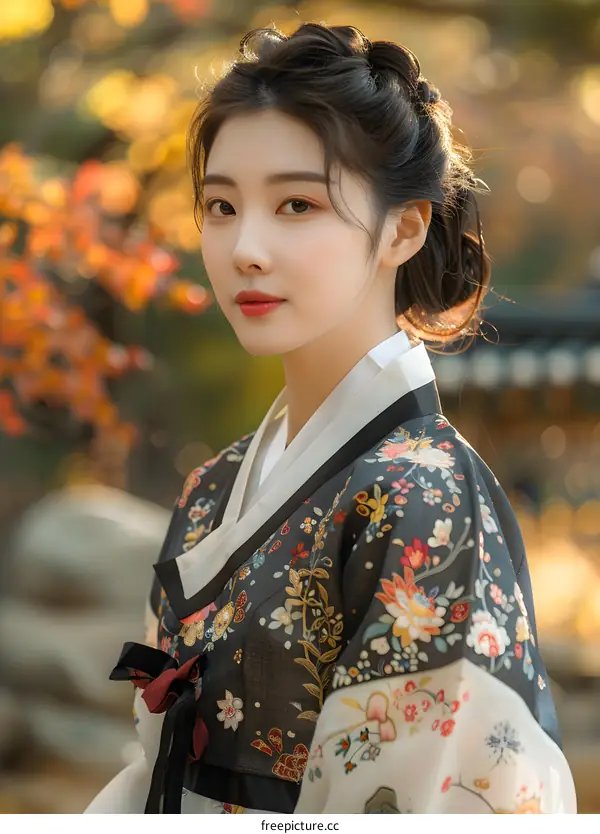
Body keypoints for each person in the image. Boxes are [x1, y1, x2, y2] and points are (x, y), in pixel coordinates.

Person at [84, 23, 577, 814]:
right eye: (220, 205)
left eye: (297, 204)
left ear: (405, 228)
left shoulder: (426, 500)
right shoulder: (213, 487)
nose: (246, 247)